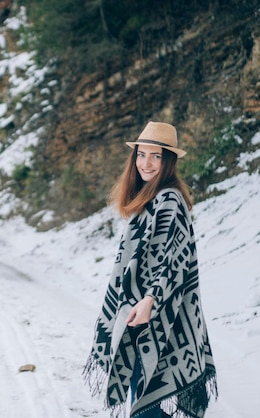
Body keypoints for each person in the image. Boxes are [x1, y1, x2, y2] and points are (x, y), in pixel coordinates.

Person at [84, 122, 218, 418]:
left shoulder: (168, 199)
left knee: (146, 394)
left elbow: (175, 260)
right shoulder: (149, 199)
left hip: (157, 314)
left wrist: (150, 301)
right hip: (142, 311)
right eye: (141, 155)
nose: (146, 163)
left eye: (155, 156)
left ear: (168, 161)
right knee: (144, 393)